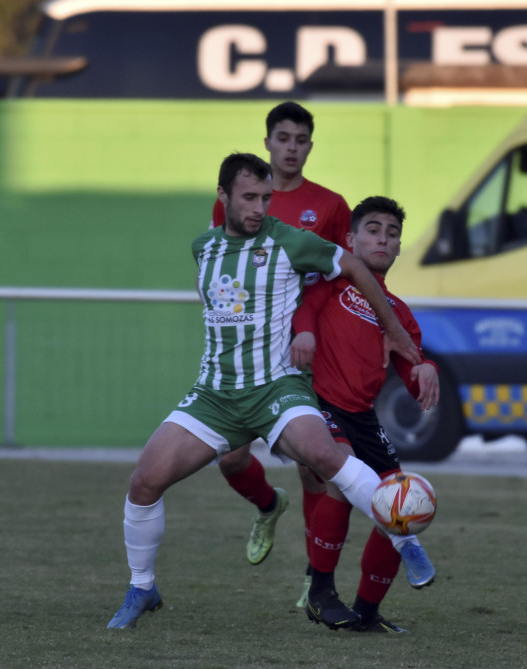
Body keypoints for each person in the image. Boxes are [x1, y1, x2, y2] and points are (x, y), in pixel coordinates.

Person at [106, 152, 435, 631]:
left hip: (277, 388)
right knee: (143, 482)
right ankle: (142, 587)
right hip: (215, 395)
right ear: (223, 198)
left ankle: (406, 541)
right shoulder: (203, 248)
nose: (260, 208)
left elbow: (355, 271)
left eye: (266, 197)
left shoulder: (290, 242)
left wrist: (398, 336)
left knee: (326, 458)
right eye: (250, 198)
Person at [209, 101, 351, 574]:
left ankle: (317, 580)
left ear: (311, 145)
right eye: (283, 138)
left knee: (313, 465)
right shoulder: (237, 199)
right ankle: (268, 505)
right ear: (267, 140)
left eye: (301, 140)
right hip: (248, 350)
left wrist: (308, 328)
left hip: (305, 350)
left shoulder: (330, 206)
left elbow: (337, 279)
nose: (292, 148)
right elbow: (223, 269)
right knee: (229, 458)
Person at [291, 195, 440, 634]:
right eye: (373, 230)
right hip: (319, 403)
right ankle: (320, 592)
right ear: (351, 239)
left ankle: (367, 614)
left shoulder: (398, 312)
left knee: (402, 505)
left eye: (392, 234)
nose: (383, 239)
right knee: (344, 480)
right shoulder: (330, 284)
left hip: (363, 416)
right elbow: (306, 310)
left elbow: (412, 372)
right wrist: (303, 332)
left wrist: (424, 368)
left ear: (398, 249)